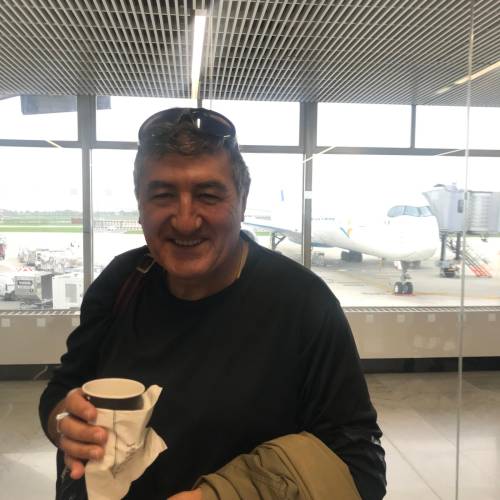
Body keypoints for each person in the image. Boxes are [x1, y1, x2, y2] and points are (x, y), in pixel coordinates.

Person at [39, 107, 386, 499]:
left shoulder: (302, 304)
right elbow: (62, 390)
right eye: (163, 195)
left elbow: (361, 466)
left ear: (242, 200)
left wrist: (228, 494)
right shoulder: (122, 281)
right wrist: (64, 423)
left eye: (208, 195)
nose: (186, 221)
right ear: (140, 204)